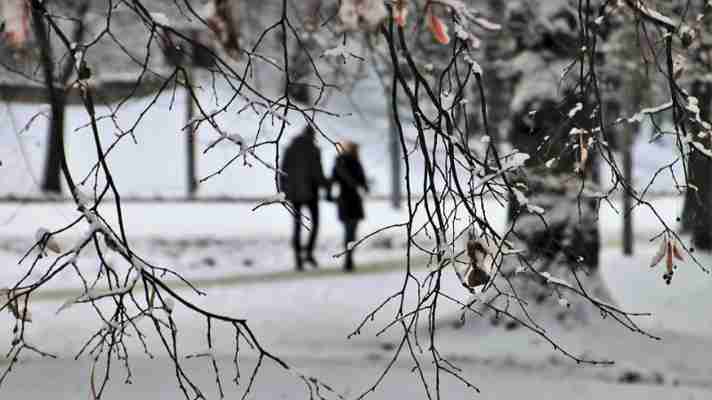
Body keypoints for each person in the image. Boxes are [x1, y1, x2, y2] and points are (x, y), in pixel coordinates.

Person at [279, 125, 328, 271]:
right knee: (315, 223)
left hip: (294, 194)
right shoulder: (314, 150)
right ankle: (308, 253)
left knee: (297, 227)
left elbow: (283, 171)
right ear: (313, 135)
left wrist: (284, 190)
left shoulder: (290, 149)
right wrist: (326, 184)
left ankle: (298, 258)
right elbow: (317, 173)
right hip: (311, 193)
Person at [327, 141, 369, 272]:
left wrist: (329, 195)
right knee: (351, 231)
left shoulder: (338, 164)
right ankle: (349, 259)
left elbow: (331, 181)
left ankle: (348, 259)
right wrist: (363, 186)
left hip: (343, 201)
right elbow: (363, 183)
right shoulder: (356, 163)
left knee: (348, 231)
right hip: (353, 200)